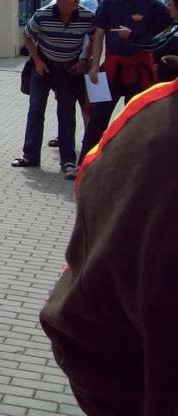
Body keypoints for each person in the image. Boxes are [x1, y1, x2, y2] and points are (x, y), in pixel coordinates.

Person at [40, 77, 178, 415]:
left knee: (81, 114)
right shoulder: (152, 127)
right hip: (99, 78)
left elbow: (81, 331)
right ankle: (68, 154)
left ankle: (70, 156)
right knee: (89, 113)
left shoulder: (153, 128)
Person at [80, 0, 172, 163]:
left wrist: (153, 55)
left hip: (140, 70)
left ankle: (135, 165)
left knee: (137, 118)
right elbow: (99, 34)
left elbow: (166, 35)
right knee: (98, 116)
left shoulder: (153, 5)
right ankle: (85, 164)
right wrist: (94, 66)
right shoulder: (108, 3)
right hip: (111, 68)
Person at [11, 0, 95, 179]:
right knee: (36, 109)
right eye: (73, 0)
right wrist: (37, 61)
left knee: (66, 112)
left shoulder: (86, 16)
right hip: (44, 67)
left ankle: (68, 161)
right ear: (59, 1)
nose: (77, 2)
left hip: (68, 69)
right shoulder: (43, 15)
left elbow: (95, 37)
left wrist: (85, 60)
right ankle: (30, 156)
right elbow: (27, 35)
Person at [48, 0, 98, 149]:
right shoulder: (53, 4)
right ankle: (64, 136)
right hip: (63, 61)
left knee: (87, 102)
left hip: (86, 58)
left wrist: (86, 58)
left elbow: (91, 31)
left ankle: (89, 138)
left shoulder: (89, 1)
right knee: (63, 101)